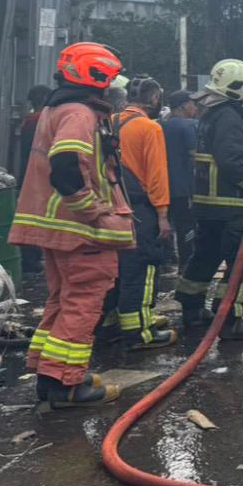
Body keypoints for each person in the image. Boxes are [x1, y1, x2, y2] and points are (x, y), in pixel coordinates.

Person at [6, 43, 132, 407]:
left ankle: (50, 377)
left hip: (60, 228)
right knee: (83, 302)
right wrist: (93, 211)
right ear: (97, 76)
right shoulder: (79, 113)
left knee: (63, 301)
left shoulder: (57, 108)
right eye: (110, 79)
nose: (112, 88)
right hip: (80, 231)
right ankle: (67, 385)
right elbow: (66, 166)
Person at [174, 59, 243, 340]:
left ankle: (193, 310)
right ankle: (230, 320)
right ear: (236, 88)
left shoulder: (209, 114)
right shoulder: (229, 116)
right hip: (231, 205)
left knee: (206, 256)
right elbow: (230, 161)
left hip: (208, 205)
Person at [102, 76, 176, 350]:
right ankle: (140, 332)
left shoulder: (109, 122)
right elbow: (157, 176)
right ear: (154, 98)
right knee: (142, 267)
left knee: (115, 269)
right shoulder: (149, 128)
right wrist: (163, 215)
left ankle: (109, 326)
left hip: (111, 205)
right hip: (141, 209)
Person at [161, 90, 199, 269]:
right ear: (184, 105)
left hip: (162, 187)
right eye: (193, 104)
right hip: (184, 188)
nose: (195, 107)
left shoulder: (160, 125)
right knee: (186, 227)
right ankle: (186, 265)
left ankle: (166, 261)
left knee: (165, 226)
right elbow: (195, 157)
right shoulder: (188, 126)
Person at [17, 84, 51, 277]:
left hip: (27, 173)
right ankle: (31, 260)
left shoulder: (29, 120)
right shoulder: (39, 121)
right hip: (38, 175)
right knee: (35, 218)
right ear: (45, 99)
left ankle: (32, 258)